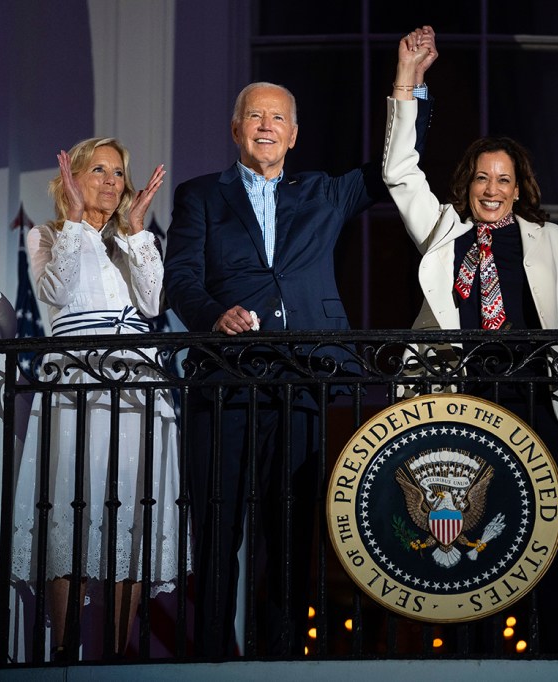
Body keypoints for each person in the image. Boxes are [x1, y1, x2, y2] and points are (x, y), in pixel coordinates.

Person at [162, 29, 436, 657]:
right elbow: (180, 278)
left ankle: (282, 656)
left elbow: (398, 163)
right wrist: (213, 315)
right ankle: (210, 660)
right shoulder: (202, 195)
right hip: (227, 382)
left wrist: (408, 84)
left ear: (294, 135)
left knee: (290, 531)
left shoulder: (322, 192)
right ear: (236, 130)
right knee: (219, 526)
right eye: (254, 115)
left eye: (277, 117)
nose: (266, 125)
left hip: (305, 381)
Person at [382, 33, 558, 655]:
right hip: (461, 400)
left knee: (543, 534)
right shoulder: (444, 232)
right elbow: (399, 173)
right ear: (469, 182)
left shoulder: (550, 240)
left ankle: (555, 651)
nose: (491, 188)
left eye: (503, 180)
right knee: (468, 544)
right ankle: (465, 655)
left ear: (518, 186)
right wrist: (407, 82)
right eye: (482, 177)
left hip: (535, 396)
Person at [11, 137, 187, 661]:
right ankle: (66, 648)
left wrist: (135, 235)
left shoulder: (129, 242)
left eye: (118, 172)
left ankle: (115, 651)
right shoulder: (47, 235)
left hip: (137, 388)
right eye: (99, 170)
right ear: (72, 178)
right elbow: (57, 293)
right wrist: (75, 222)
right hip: (76, 385)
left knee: (133, 509)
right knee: (71, 502)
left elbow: (153, 301)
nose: (112, 181)